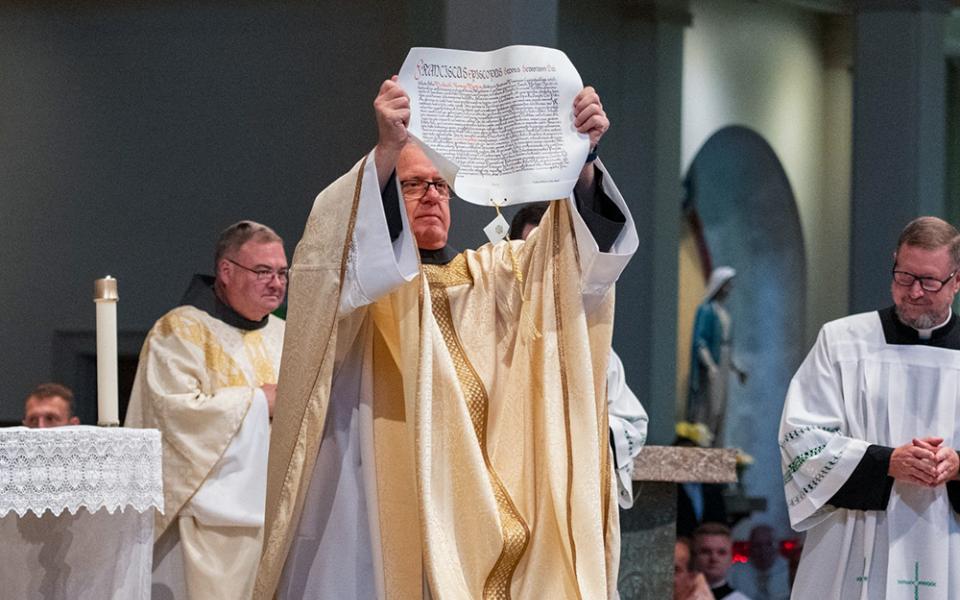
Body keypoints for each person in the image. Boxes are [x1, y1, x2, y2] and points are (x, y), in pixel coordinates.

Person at [255, 77, 638, 599]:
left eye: (439, 185)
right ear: (385, 195)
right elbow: (330, 256)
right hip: (379, 500)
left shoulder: (491, 277)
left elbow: (569, 271)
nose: (431, 195)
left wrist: (583, 160)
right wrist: (386, 150)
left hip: (478, 503)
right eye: (412, 184)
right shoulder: (370, 287)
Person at [780, 216, 960, 599]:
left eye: (929, 281)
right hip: (856, 538)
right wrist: (885, 462)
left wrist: (958, 465)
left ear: (956, 281)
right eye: (903, 276)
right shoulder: (842, 341)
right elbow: (801, 438)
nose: (914, 292)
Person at [125, 220, 287, 600]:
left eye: (282, 272)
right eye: (263, 271)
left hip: (276, 524)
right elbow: (175, 418)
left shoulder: (286, 335)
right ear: (226, 272)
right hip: (202, 529)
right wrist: (258, 403)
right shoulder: (179, 331)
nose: (276, 283)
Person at [509, 202, 649, 508]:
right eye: (532, 254)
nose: (542, 270)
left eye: (551, 257)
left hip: (571, 494)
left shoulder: (590, 344)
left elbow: (632, 425)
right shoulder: (495, 334)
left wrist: (580, 428)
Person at [686, 266, 747, 447]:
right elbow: (700, 342)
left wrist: (736, 369)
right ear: (719, 286)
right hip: (713, 365)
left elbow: (727, 345)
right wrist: (711, 365)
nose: (729, 289)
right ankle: (705, 443)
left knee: (721, 409)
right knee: (711, 407)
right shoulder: (707, 311)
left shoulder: (724, 313)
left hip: (724, 362)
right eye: (727, 285)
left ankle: (716, 446)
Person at [727, 524, 791, 600]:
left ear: (777, 546)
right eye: (757, 545)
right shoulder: (735, 572)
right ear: (750, 547)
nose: (763, 550)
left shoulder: (790, 569)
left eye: (769, 544)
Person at [693, 522, 752, 600]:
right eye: (706, 551)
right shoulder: (678, 596)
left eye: (721, 552)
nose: (714, 558)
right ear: (693, 556)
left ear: (731, 558)